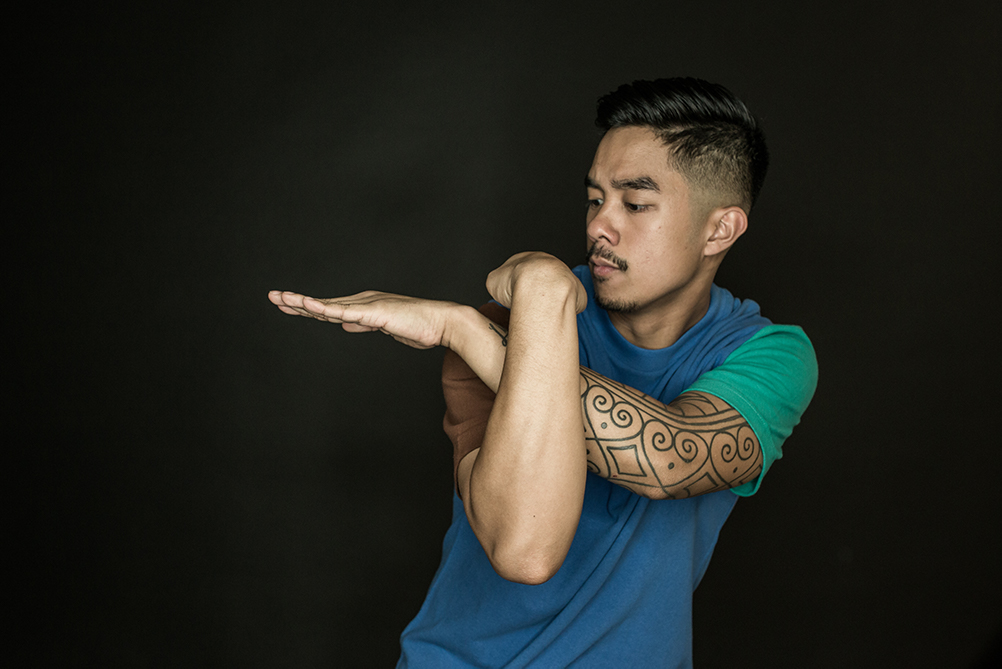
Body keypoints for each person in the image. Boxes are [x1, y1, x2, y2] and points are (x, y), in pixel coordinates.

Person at [269, 77, 818, 667]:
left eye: (635, 204)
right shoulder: (505, 320)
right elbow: (524, 549)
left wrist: (470, 334)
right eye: (594, 199)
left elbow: (671, 458)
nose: (599, 226)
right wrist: (541, 289)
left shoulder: (767, 354)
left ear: (719, 229)